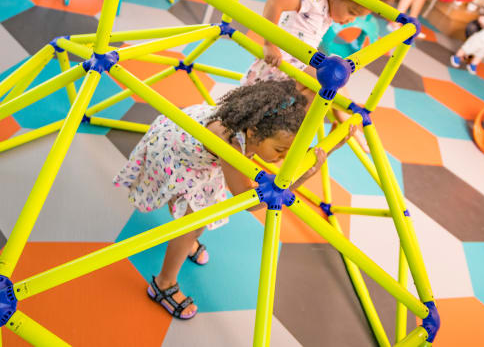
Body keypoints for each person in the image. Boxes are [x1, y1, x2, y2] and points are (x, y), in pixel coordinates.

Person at [113, 79, 354, 319]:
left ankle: (186, 241)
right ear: (253, 132)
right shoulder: (228, 142)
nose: (283, 158)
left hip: (193, 146)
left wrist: (331, 141)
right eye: (280, 150)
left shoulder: (261, 118)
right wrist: (299, 179)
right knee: (192, 222)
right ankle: (163, 285)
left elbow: (312, 79)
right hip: (175, 153)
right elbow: (250, 200)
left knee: (196, 216)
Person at [242, 0, 404, 150]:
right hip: (279, 64)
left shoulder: (328, 8)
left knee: (329, 86)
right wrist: (269, 44)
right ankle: (337, 124)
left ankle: (304, 136)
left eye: (356, 17)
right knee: (333, 80)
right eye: (351, 12)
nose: (350, 20)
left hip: (296, 67)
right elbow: (274, 2)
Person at [450, 8, 484, 75]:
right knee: (467, 48)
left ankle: (473, 65)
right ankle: (456, 57)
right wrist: (483, 21)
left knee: (480, 55)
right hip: (479, 39)